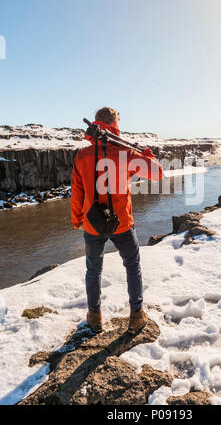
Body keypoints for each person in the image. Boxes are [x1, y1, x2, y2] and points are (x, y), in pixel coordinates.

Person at [71, 107, 163, 334]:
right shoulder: (125, 154)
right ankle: (136, 316)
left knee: (93, 270)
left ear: (96, 124)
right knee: (132, 267)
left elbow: (77, 192)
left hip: (93, 224)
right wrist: (147, 153)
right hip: (122, 222)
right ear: (115, 126)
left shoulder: (82, 156)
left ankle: (94, 317)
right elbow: (157, 173)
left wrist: (77, 220)